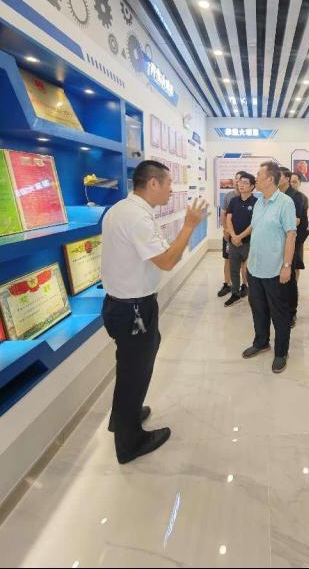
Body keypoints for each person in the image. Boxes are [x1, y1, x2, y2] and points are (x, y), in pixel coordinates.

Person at [101, 160, 208, 464]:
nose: (171, 189)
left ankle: (125, 417)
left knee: (131, 368)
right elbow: (167, 261)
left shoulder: (123, 210)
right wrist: (189, 225)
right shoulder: (136, 217)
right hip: (133, 309)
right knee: (135, 371)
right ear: (153, 183)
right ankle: (129, 442)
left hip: (122, 305)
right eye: (168, 183)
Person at [242, 162, 297, 373]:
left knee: (279, 313)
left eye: (258, 175)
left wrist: (287, 266)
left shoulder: (285, 203)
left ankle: (281, 352)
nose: (255, 178)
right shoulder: (259, 202)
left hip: (275, 269)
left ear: (270, 179)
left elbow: (290, 235)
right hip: (255, 267)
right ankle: (261, 342)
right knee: (258, 308)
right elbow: (256, 230)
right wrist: (249, 260)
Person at [224, 173, 258, 307]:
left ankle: (254, 295)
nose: (241, 184)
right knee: (234, 269)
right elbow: (228, 219)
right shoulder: (234, 201)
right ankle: (235, 294)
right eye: (240, 182)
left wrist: (240, 237)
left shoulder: (257, 202)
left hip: (249, 242)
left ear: (252, 186)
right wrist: (233, 236)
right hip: (234, 242)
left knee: (250, 270)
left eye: (245, 182)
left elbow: (254, 224)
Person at [278, 167, 307, 326]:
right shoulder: (276, 195)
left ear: (286, 179)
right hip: (276, 244)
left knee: (289, 280)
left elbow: (296, 221)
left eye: (279, 175)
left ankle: (291, 312)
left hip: (290, 243)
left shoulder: (296, 197)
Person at [218, 171, 248, 298]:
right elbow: (223, 214)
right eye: (236, 179)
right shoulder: (229, 196)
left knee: (244, 262)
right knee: (228, 260)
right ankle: (227, 284)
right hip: (229, 235)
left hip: (244, 237)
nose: (238, 182)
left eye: (241, 180)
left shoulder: (249, 197)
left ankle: (244, 285)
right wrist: (226, 230)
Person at [290, 172, 309, 281]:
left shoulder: (302, 197)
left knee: (296, 265)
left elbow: (299, 220)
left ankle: (294, 287)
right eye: (290, 182)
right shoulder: (282, 196)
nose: (292, 184)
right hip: (283, 238)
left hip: (297, 238)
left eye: (294, 182)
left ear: (299, 183)